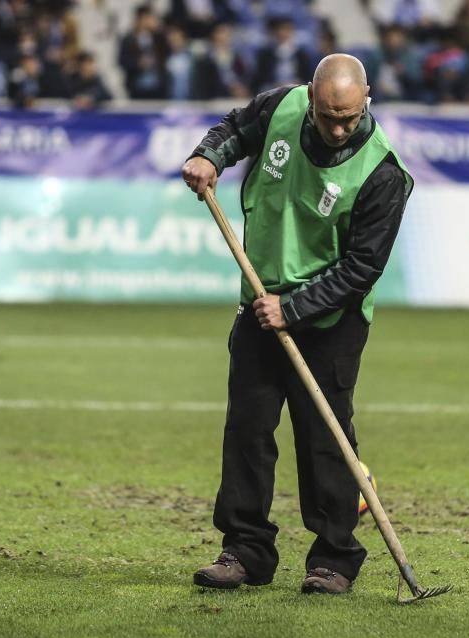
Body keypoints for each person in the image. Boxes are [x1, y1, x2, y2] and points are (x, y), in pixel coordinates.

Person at [181, 54, 413, 595]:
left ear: (367, 101)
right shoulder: (281, 106)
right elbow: (235, 128)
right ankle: (245, 552)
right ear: (310, 98)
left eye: (349, 118)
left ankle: (334, 558)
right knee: (247, 430)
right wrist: (208, 156)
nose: (338, 128)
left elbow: (362, 268)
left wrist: (295, 307)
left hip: (331, 320)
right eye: (329, 115)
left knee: (324, 439)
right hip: (259, 300)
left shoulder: (383, 173)